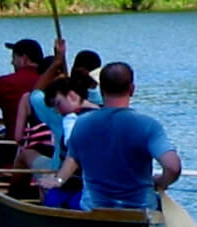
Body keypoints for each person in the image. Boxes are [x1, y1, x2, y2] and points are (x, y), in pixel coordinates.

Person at [39, 62, 181, 211]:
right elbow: (172, 167)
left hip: (94, 209)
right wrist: (161, 182)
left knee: (56, 198)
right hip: (140, 211)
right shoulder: (149, 125)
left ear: (101, 90)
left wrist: (58, 180)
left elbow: (72, 159)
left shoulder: (81, 124)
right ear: (132, 89)